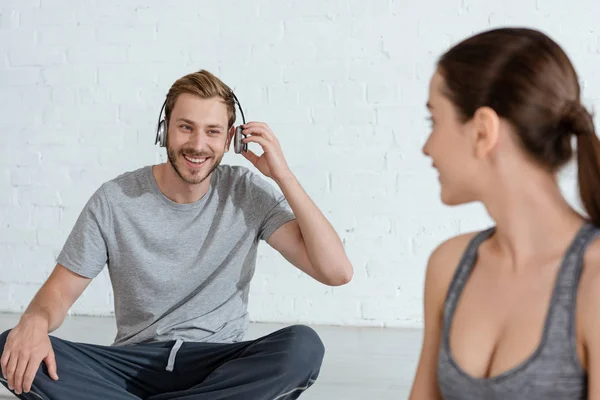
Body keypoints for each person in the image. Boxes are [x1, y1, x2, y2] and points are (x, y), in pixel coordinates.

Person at [0, 69, 353, 399]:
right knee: (9, 346)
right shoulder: (115, 199)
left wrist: (283, 175)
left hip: (217, 366)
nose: (198, 144)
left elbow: (336, 271)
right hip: (133, 365)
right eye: (186, 127)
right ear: (165, 129)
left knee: (303, 346)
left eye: (213, 131)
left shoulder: (247, 192)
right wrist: (33, 321)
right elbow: (59, 293)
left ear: (231, 138)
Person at [409, 27, 600, 399]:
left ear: (482, 130)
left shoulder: (592, 280)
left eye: (434, 121)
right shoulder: (449, 266)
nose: (427, 147)